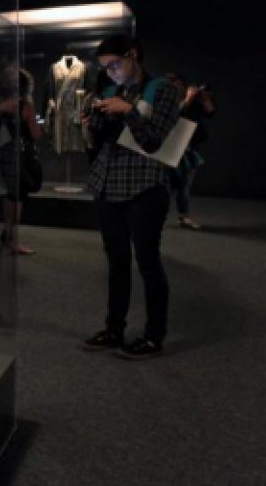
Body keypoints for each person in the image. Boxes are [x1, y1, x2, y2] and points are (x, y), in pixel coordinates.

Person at [80, 35, 183, 360]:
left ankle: (154, 336)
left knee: (148, 262)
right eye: (105, 68)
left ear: (133, 55)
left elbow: (153, 142)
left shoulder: (162, 89)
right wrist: (93, 124)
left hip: (144, 186)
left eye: (115, 65)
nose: (111, 73)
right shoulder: (111, 90)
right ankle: (114, 329)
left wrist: (127, 111)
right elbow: (102, 143)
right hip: (107, 184)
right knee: (116, 262)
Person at [0, 68, 39, 255]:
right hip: (20, 156)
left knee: (10, 195)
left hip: (3, 154)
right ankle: (13, 240)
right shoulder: (24, 105)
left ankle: (7, 234)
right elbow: (35, 134)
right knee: (18, 198)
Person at [164, 73, 216, 229]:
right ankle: (155, 216)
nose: (177, 88)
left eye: (179, 84)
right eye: (173, 85)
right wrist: (187, 99)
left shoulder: (193, 103)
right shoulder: (165, 102)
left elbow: (210, 112)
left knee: (185, 185)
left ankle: (184, 217)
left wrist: (205, 98)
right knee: (165, 185)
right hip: (170, 148)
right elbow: (174, 115)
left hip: (189, 149)